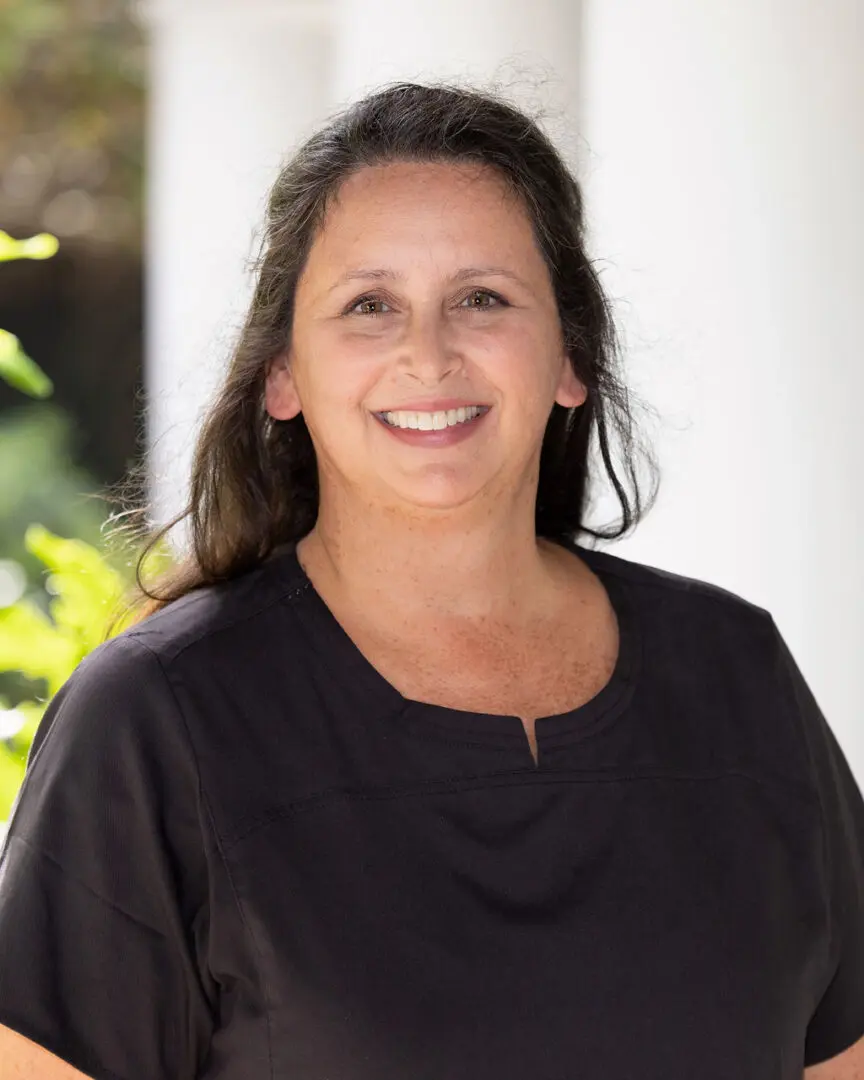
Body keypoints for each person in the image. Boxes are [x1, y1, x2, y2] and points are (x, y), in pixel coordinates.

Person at [0, 81, 862, 1080]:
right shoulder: (157, 724)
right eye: (369, 306)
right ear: (282, 373)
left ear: (570, 354)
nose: (428, 353)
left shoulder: (736, 679)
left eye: (482, 299)